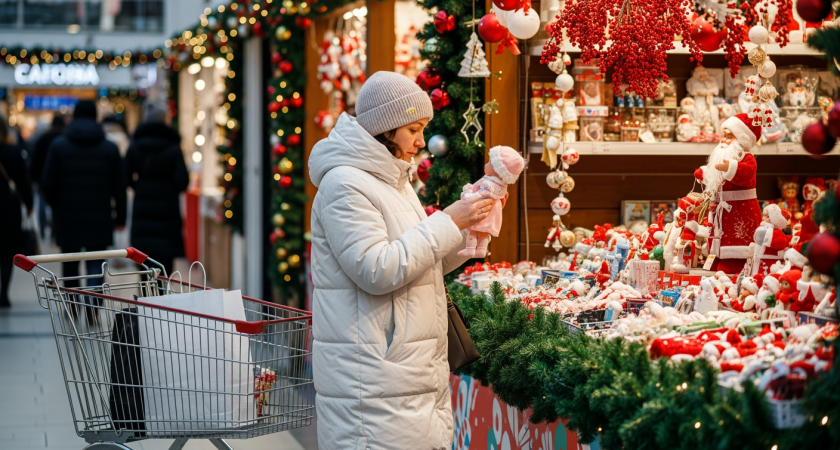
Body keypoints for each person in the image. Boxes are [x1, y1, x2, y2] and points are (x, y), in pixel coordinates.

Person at [308, 71, 500, 450]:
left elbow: (418, 262)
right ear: (386, 128)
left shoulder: (393, 180)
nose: (422, 140)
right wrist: (448, 220)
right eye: (413, 128)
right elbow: (376, 269)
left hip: (405, 372)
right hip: (375, 377)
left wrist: (469, 230)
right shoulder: (345, 183)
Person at [41, 100, 126, 316]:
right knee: (96, 264)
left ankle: (72, 307)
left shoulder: (59, 146)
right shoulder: (109, 148)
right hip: (99, 215)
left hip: (67, 215)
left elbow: (47, 184)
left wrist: (57, 206)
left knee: (69, 265)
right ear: (96, 117)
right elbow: (119, 187)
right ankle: (93, 307)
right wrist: (121, 218)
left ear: (73, 117)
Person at [694, 113, 763, 275]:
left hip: (742, 209)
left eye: (729, 136)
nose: (723, 140)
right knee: (721, 234)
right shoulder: (724, 156)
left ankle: (736, 261)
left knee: (737, 236)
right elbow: (716, 178)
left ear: (742, 140)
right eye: (724, 136)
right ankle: (719, 256)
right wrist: (705, 174)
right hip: (724, 209)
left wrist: (731, 167)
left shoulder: (747, 158)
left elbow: (748, 173)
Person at [125, 102, 188, 275]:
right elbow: (183, 181)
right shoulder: (174, 147)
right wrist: (168, 188)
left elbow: (125, 175)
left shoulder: (136, 145)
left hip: (142, 211)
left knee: (144, 267)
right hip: (167, 211)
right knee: (165, 271)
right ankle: (162, 300)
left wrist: (141, 186)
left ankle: (144, 301)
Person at [0, 116, 33, 308]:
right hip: (8, 207)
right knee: (6, 252)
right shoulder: (13, 152)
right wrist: (29, 204)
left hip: (8, 206)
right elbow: (23, 181)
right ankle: (3, 294)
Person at [29, 115, 66, 239]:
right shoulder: (64, 138)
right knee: (58, 204)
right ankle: (55, 231)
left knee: (42, 204)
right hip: (61, 178)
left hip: (42, 176)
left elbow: (35, 159)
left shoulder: (43, 138)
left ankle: (43, 228)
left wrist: (33, 177)